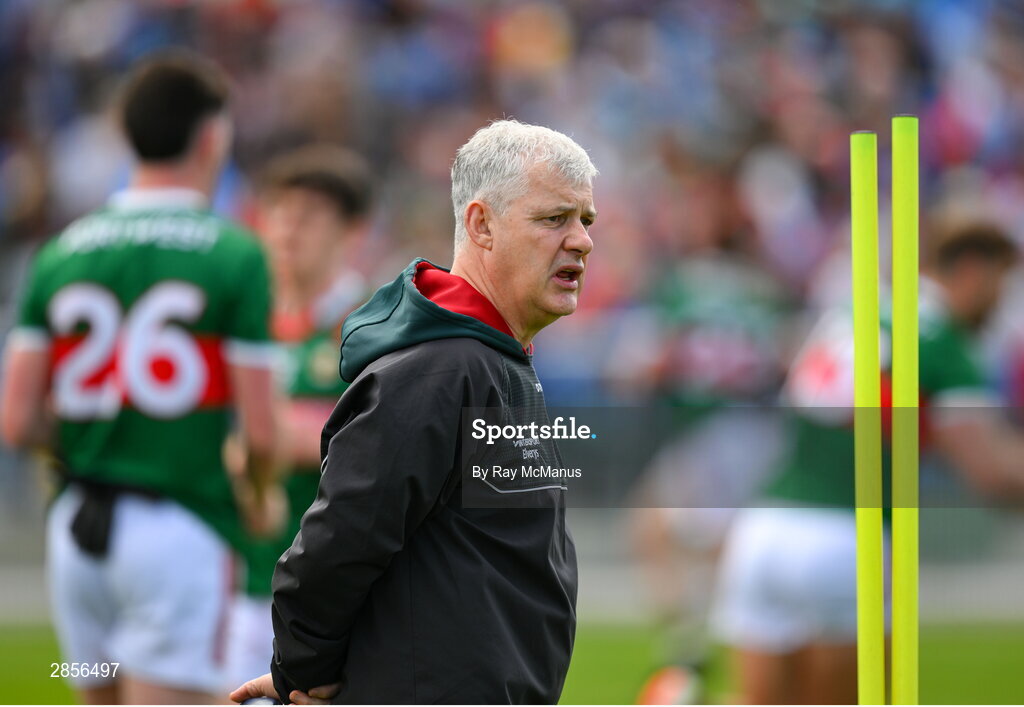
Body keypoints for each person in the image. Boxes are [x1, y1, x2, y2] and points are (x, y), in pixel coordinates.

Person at [230, 119, 597, 705]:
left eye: (586, 220)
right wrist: (306, 668)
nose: (580, 240)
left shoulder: (495, 362)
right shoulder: (440, 370)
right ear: (481, 224)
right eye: (554, 219)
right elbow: (336, 541)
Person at [0, 52, 282, 704]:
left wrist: (101, 447)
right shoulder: (233, 252)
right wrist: (259, 492)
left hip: (78, 532)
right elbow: (261, 430)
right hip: (177, 532)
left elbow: (17, 419)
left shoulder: (61, 250)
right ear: (211, 136)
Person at [711, 220, 1024, 704]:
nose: (1000, 304)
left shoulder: (859, 308)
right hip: (846, 539)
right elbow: (995, 473)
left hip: (764, 529)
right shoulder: (941, 340)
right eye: (1001, 283)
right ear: (972, 270)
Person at [226, 145, 374, 691]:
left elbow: (379, 440)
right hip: (239, 583)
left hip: (329, 597)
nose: (288, 230)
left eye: (308, 217)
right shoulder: (248, 324)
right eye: (278, 214)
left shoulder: (372, 327)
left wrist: (278, 434)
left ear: (351, 232)